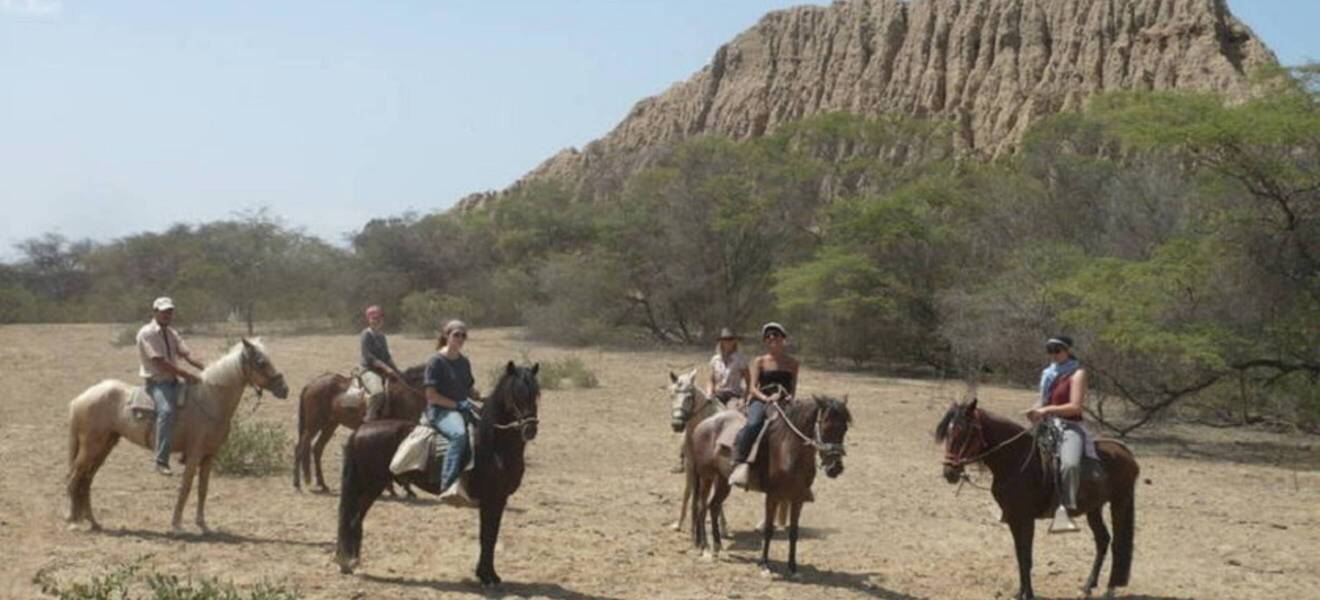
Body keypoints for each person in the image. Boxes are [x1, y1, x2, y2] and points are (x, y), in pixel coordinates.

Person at [1026, 335, 1092, 534]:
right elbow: (1043, 401)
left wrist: (1047, 410)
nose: (1054, 354)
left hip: (1069, 426)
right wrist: (1035, 409)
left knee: (1070, 464)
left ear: (1068, 350)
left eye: (1058, 350)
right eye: (1050, 350)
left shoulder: (1078, 373)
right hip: (1046, 425)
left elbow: (1075, 406)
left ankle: (1067, 509)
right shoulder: (1048, 373)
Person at [135, 297, 204, 476]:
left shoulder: (171, 333)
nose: (167, 315)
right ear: (155, 312)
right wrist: (186, 375)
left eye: (170, 311)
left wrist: (208, 369)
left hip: (174, 381)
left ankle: (187, 453)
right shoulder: (147, 333)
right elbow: (159, 362)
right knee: (166, 412)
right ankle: (161, 460)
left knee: (198, 406)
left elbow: (186, 354)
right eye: (164, 311)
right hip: (157, 383)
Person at [729, 322, 799, 488]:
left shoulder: (793, 363)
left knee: (799, 428)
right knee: (754, 424)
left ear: (783, 338)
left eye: (776, 335)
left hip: (783, 401)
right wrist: (766, 398)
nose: (772, 338)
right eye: (768, 336)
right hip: (761, 400)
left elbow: (793, 388)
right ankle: (740, 462)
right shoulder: (760, 361)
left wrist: (787, 398)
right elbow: (752, 388)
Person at [423, 319, 480, 506]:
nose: (460, 338)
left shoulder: (464, 362)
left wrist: (483, 399)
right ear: (446, 335)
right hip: (440, 411)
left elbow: (469, 389)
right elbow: (431, 396)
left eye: (464, 335)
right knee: (459, 435)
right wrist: (457, 405)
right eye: (456, 334)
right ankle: (447, 485)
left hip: (462, 406)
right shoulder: (436, 362)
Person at [359, 305, 402, 418]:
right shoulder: (366, 334)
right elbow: (368, 356)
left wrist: (396, 370)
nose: (376, 321)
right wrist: (386, 368)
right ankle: (369, 419)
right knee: (378, 393)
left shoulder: (382, 336)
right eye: (373, 318)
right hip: (369, 370)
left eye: (378, 318)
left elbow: (387, 356)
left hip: (382, 370)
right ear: (368, 320)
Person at [706, 327, 750, 409]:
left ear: (735, 341)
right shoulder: (715, 359)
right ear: (721, 342)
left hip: (734, 395)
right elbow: (711, 380)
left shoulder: (741, 359)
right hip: (717, 395)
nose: (728, 342)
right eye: (725, 339)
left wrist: (744, 398)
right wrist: (709, 393)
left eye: (730, 339)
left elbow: (748, 382)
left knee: (732, 413)